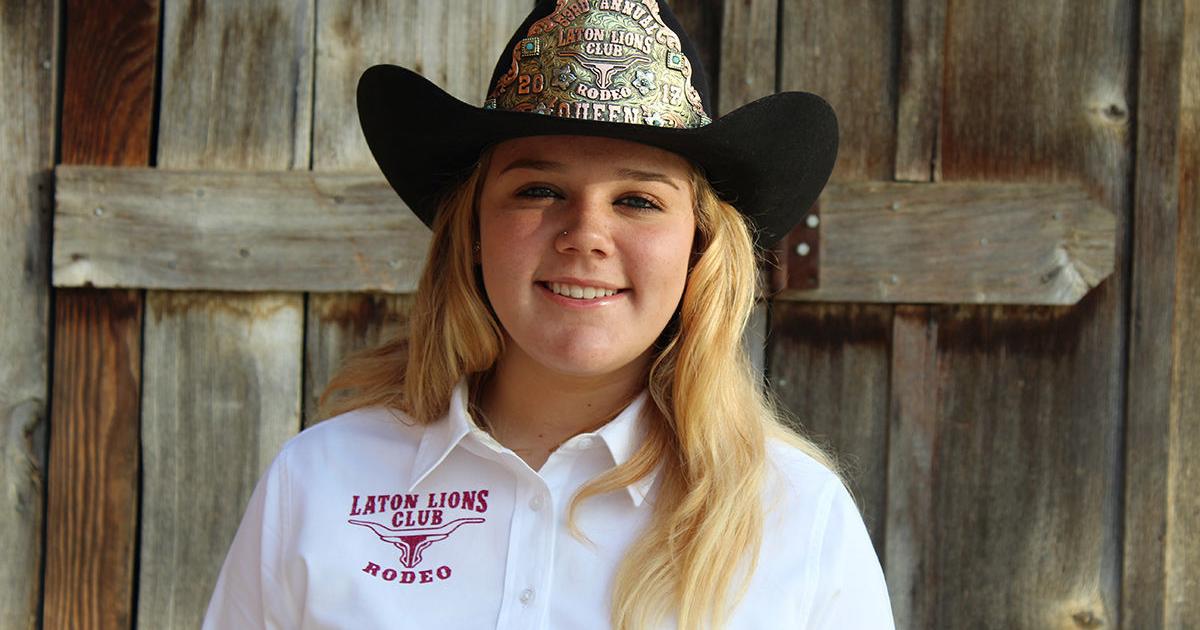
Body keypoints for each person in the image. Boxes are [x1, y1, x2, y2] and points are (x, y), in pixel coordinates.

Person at [202, 1, 895, 628]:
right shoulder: (319, 481)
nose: (585, 234)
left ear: (699, 246)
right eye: (539, 189)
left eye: (638, 200)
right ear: (473, 229)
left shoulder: (799, 519)